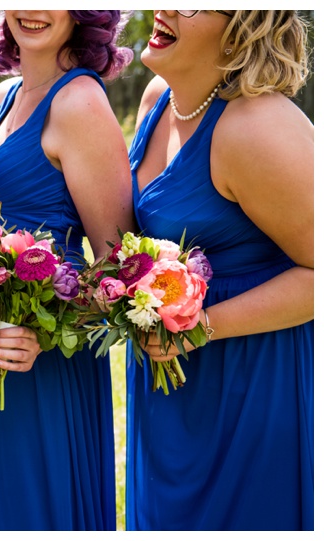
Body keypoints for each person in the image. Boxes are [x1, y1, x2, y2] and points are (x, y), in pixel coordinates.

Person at [126, 10, 312, 530]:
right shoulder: (156, 100)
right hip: (170, 386)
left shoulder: (259, 127)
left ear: (240, 27)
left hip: (248, 384)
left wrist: (201, 329)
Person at [0, 10, 134, 530]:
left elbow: (118, 271)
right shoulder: (10, 94)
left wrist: (46, 332)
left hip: (46, 365)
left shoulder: (79, 101)